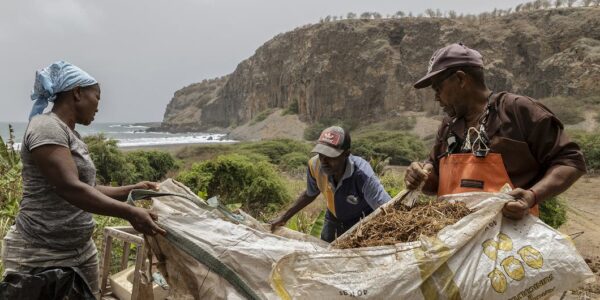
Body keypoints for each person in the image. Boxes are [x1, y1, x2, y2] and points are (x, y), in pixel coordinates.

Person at [1, 61, 166, 297]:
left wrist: (133, 189)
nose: (99, 106)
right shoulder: (46, 127)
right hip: (40, 253)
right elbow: (69, 188)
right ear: (77, 92)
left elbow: (87, 188)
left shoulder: (71, 134)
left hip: (81, 252)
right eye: (97, 97)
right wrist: (129, 212)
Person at [404, 43, 586, 219]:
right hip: (454, 238)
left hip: (509, 241)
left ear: (460, 79)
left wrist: (532, 195)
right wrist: (420, 177)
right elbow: (434, 183)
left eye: (438, 88)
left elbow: (570, 161)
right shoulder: (448, 126)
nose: (436, 97)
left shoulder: (517, 111)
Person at [270, 126, 391, 242]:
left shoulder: (362, 175)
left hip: (362, 221)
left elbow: (388, 209)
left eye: (331, 156)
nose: (324, 161)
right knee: (326, 252)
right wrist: (284, 217)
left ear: (346, 154)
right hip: (333, 219)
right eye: (321, 155)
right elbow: (310, 194)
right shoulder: (314, 165)